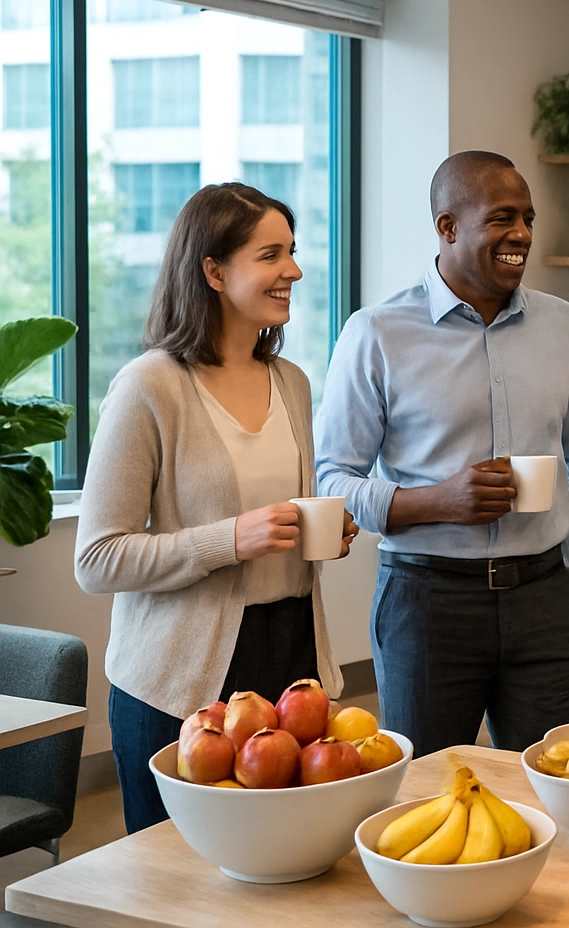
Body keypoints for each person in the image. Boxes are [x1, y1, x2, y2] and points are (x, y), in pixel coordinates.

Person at [315, 150, 569, 759]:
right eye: (503, 218)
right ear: (448, 227)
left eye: (529, 219)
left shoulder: (564, 326)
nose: (523, 235)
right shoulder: (376, 333)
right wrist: (440, 502)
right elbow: (332, 483)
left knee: (562, 786)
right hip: (427, 604)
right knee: (423, 790)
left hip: (548, 597)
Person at [75, 183, 358, 833]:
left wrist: (325, 532)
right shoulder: (149, 385)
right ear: (213, 270)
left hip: (291, 667)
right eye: (271, 254)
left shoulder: (291, 382)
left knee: (288, 861)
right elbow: (96, 559)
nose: (294, 271)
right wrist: (229, 539)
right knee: (173, 880)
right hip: (178, 686)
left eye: (293, 252)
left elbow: (282, 519)